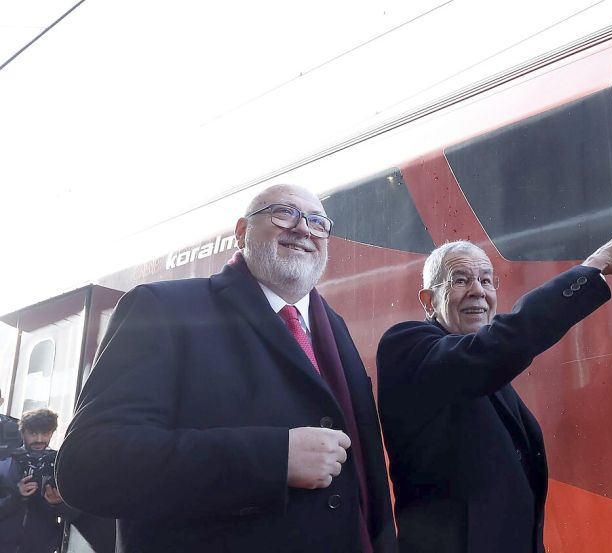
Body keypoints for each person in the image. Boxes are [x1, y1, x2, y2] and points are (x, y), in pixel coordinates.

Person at [56, 184, 396, 553]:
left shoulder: (335, 330)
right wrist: (273, 459)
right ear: (241, 233)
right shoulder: (161, 309)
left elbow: (368, 475)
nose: (303, 228)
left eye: (317, 222)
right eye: (283, 213)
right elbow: (87, 466)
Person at [376, 224, 612, 553]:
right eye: (460, 280)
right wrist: (593, 266)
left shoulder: (478, 362)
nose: (477, 291)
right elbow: (501, 345)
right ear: (428, 300)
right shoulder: (407, 346)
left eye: (486, 280)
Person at [0, 408, 79, 553]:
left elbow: (77, 514)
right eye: (33, 433)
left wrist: (58, 504)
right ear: (22, 432)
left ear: (52, 433)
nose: (39, 439)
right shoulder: (5, 462)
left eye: (45, 433)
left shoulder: (60, 464)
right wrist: (17, 495)